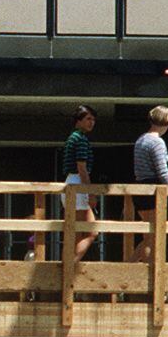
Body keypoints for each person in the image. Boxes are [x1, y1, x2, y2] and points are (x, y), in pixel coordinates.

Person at [131, 106, 168, 264]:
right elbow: (163, 172)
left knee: (148, 236)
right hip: (153, 190)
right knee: (153, 237)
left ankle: (128, 270)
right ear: (166, 122)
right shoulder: (157, 142)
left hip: (140, 189)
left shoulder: (141, 140)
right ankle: (149, 278)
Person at [62, 104, 98, 261]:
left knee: (75, 232)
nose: (92, 123)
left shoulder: (73, 137)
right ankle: (68, 266)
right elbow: (82, 168)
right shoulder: (80, 139)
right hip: (78, 182)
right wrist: (90, 193)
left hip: (71, 182)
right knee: (91, 231)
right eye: (88, 119)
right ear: (78, 120)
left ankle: (69, 266)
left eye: (93, 120)